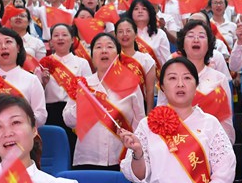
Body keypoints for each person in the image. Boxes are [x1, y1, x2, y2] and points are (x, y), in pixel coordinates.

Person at [118, 57, 235, 183]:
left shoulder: (209, 124)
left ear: (196, 84)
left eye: (187, 78)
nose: (180, 84)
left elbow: (226, 169)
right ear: (162, 86)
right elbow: (138, 176)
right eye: (172, 78)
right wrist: (137, 153)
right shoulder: (147, 124)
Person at [62, 32, 144, 170]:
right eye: (98, 47)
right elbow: (68, 121)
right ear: (92, 57)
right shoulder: (83, 85)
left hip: (122, 159)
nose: (104, 50)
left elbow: (140, 124)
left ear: (118, 55)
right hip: (87, 157)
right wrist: (84, 102)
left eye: (110, 47)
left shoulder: (131, 86)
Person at [158, 19, 234, 142]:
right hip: (176, 143)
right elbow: (160, 111)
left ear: (209, 44)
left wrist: (225, 147)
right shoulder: (170, 76)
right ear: (182, 43)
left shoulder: (220, 79)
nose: (196, 39)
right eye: (191, 36)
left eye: (201, 36)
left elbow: (226, 121)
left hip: (210, 144)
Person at [39, 23, 92, 157]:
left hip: (74, 112)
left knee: (72, 150)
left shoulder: (82, 63)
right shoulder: (44, 63)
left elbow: (88, 93)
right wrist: (43, 83)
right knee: (54, 151)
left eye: (64, 35)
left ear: (72, 39)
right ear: (51, 41)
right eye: (56, 36)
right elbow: (37, 94)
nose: (60, 38)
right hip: (50, 112)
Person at [0, 27, 47, 127]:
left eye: (8, 42)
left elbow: (41, 115)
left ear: (18, 48)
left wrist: (18, 122)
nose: (3, 46)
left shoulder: (31, 80)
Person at [114, 17, 156, 110]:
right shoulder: (112, 59)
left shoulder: (146, 60)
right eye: (120, 31)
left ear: (136, 34)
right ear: (116, 36)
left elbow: (150, 91)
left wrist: (148, 116)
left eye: (128, 31)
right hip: (117, 109)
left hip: (141, 107)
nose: (124, 34)